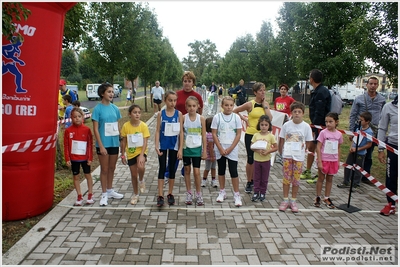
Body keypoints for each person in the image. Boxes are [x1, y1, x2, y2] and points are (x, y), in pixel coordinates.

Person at [233, 82, 273, 193]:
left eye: (264, 90)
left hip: (263, 135)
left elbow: (270, 118)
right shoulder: (250, 104)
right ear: (255, 92)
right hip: (251, 134)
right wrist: (244, 119)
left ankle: (258, 181)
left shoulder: (266, 105)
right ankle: (249, 181)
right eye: (260, 90)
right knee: (251, 159)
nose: (263, 92)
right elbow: (235, 110)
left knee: (261, 158)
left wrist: (265, 105)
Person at [348, 76, 386, 185]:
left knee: (368, 154)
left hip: (374, 130)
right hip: (360, 129)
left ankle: (365, 176)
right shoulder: (359, 99)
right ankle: (352, 175)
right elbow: (353, 115)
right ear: (367, 85)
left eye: (375, 84)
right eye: (371, 83)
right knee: (355, 152)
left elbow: (383, 116)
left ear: (377, 85)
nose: (373, 86)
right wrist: (351, 131)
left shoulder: (382, 100)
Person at [92, 82, 124, 206]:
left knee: (112, 168)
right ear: (102, 94)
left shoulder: (115, 108)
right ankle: (104, 194)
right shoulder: (98, 109)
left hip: (114, 143)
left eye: (112, 91)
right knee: (104, 169)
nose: (112, 94)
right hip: (103, 144)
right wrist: (101, 145)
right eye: (109, 92)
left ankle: (110, 190)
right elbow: (95, 129)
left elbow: (117, 125)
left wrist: (121, 140)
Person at [278, 102, 313, 213]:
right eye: (295, 112)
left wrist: (304, 148)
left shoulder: (306, 126)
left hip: (299, 157)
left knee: (296, 180)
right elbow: (282, 139)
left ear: (303, 113)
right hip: (287, 156)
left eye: (299, 112)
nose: (297, 114)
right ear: (291, 113)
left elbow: (308, 141)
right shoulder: (286, 125)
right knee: (286, 178)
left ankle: (293, 200)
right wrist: (281, 151)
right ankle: (285, 200)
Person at [300, 69, 331, 184]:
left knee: (320, 150)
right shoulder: (316, 91)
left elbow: (320, 111)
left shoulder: (322, 92)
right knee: (311, 148)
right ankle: (308, 170)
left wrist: (315, 128)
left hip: (320, 126)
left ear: (311, 79)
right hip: (316, 125)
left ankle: (320, 174)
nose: (308, 78)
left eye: (309, 76)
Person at [211, 96, 243, 207]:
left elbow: (238, 134)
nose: (229, 107)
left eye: (231, 105)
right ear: (222, 106)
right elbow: (214, 133)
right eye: (226, 105)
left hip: (232, 148)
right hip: (220, 148)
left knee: (234, 171)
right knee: (221, 170)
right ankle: (222, 191)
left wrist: (230, 148)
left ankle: (236, 194)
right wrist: (220, 148)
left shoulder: (236, 118)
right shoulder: (217, 117)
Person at [155, 91, 183, 207]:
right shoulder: (161, 114)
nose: (173, 103)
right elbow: (157, 130)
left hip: (174, 145)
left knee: (172, 169)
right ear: (165, 100)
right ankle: (160, 194)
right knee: (162, 168)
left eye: (175, 100)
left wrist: (180, 148)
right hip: (163, 145)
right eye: (170, 100)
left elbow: (181, 132)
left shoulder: (179, 114)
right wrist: (156, 145)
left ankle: (170, 193)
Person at [63, 107, 94, 206]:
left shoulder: (87, 130)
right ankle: (79, 195)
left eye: (79, 116)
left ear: (83, 117)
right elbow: (66, 145)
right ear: (71, 118)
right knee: (76, 177)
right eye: (75, 117)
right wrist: (67, 158)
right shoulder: (68, 131)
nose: (77, 118)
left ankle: (90, 194)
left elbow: (90, 144)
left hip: (85, 158)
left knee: (88, 175)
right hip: (74, 159)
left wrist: (90, 157)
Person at [120, 104, 150, 205]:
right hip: (131, 153)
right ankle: (135, 194)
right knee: (133, 175)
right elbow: (123, 141)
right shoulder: (126, 126)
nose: (137, 114)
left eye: (139, 112)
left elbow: (145, 141)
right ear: (130, 114)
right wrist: (122, 154)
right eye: (134, 112)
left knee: (141, 167)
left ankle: (141, 180)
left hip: (141, 151)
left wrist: (142, 155)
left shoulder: (143, 126)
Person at [313, 112, 343, 209]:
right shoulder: (323, 133)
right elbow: (318, 147)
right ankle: (318, 196)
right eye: (326, 122)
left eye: (331, 122)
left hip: (333, 161)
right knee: (321, 178)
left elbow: (338, 148)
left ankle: (327, 197)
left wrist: (338, 161)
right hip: (324, 159)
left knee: (330, 179)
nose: (328, 124)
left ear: (336, 122)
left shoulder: (339, 134)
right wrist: (320, 161)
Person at [337, 112, 373, 191]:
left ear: (367, 121)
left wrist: (358, 149)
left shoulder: (369, 132)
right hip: (352, 151)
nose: (360, 122)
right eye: (359, 120)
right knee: (347, 166)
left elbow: (369, 144)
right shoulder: (358, 128)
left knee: (358, 169)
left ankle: (356, 183)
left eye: (362, 120)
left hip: (360, 153)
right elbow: (354, 139)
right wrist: (351, 147)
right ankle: (346, 181)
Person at [182, 96, 207, 205]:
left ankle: (198, 193)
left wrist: (205, 150)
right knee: (187, 171)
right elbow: (181, 134)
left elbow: (204, 136)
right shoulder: (183, 118)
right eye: (189, 106)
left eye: (194, 106)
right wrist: (179, 150)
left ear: (198, 107)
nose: (192, 108)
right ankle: (189, 193)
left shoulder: (201, 118)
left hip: (197, 149)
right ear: (186, 107)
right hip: (186, 149)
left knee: (196, 172)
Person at [377, 96, 398, 216]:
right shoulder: (389, 107)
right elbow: (382, 128)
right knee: (391, 176)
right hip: (393, 146)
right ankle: (391, 204)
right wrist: (381, 149)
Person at [250, 115, 278, 202]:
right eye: (262, 125)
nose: (264, 127)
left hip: (266, 160)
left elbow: (276, 147)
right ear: (259, 125)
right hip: (257, 160)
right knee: (256, 177)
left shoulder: (271, 136)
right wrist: (257, 150)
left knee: (264, 178)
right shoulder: (256, 135)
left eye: (266, 125)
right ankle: (256, 192)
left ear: (269, 125)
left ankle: (263, 192)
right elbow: (251, 146)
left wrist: (268, 151)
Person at [201, 117, 218, 188]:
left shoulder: (207, 134)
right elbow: (211, 147)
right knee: (209, 168)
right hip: (210, 155)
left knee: (211, 167)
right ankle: (205, 180)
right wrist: (212, 156)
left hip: (212, 155)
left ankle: (212, 180)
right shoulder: (211, 135)